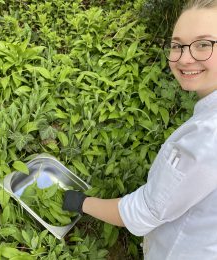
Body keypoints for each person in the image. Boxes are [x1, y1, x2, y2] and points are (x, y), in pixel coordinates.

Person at [62, 0, 217, 259]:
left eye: (203, 44)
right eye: (177, 45)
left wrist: (81, 203)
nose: (183, 58)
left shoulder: (208, 137)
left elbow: (144, 211)